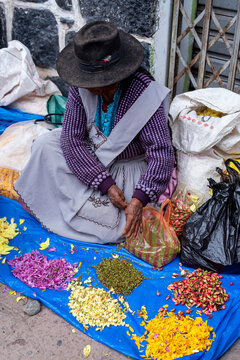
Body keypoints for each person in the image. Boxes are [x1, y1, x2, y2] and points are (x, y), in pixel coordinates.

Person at [15, 21, 175, 244]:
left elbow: (161, 155)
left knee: (121, 222)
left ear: (115, 75)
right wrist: (104, 184)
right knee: (45, 145)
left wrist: (139, 200)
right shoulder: (81, 85)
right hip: (93, 157)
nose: (85, 86)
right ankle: (59, 205)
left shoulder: (145, 94)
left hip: (127, 168)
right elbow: (71, 139)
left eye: (94, 82)